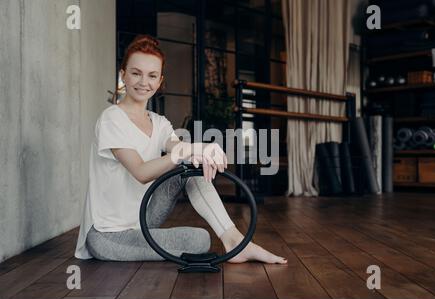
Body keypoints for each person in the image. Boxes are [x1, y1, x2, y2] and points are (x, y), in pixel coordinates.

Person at [74, 35, 287, 264]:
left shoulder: (159, 122)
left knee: (189, 165)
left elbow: (180, 149)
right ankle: (225, 245)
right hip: (108, 235)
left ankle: (234, 240)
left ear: (159, 81)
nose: (143, 82)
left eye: (152, 76)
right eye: (136, 73)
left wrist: (200, 151)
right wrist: (192, 149)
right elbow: (141, 172)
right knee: (199, 241)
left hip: (143, 219)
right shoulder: (112, 118)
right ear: (123, 73)